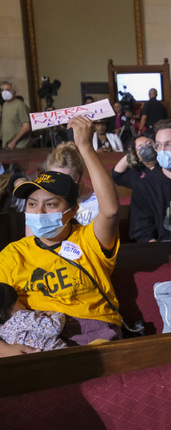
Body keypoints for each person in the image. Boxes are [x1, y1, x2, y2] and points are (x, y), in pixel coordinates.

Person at [0, 115, 122, 356]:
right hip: (36, 336)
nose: (39, 212)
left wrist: (86, 147)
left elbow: (110, 210)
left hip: (92, 331)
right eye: (32, 204)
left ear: (72, 210)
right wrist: (5, 349)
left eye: (51, 204)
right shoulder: (13, 254)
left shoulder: (87, 240)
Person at [0, 283, 66, 351]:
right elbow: (54, 328)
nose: (24, 304)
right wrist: (56, 314)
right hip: (58, 352)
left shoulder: (3, 332)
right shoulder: (21, 317)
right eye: (19, 301)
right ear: (6, 312)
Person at [1, 82, 32, 149]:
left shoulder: (20, 105)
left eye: (8, 90)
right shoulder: (5, 105)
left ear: (14, 91)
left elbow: (26, 127)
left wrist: (13, 142)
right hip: (7, 144)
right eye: (3, 90)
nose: (4, 92)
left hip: (19, 145)